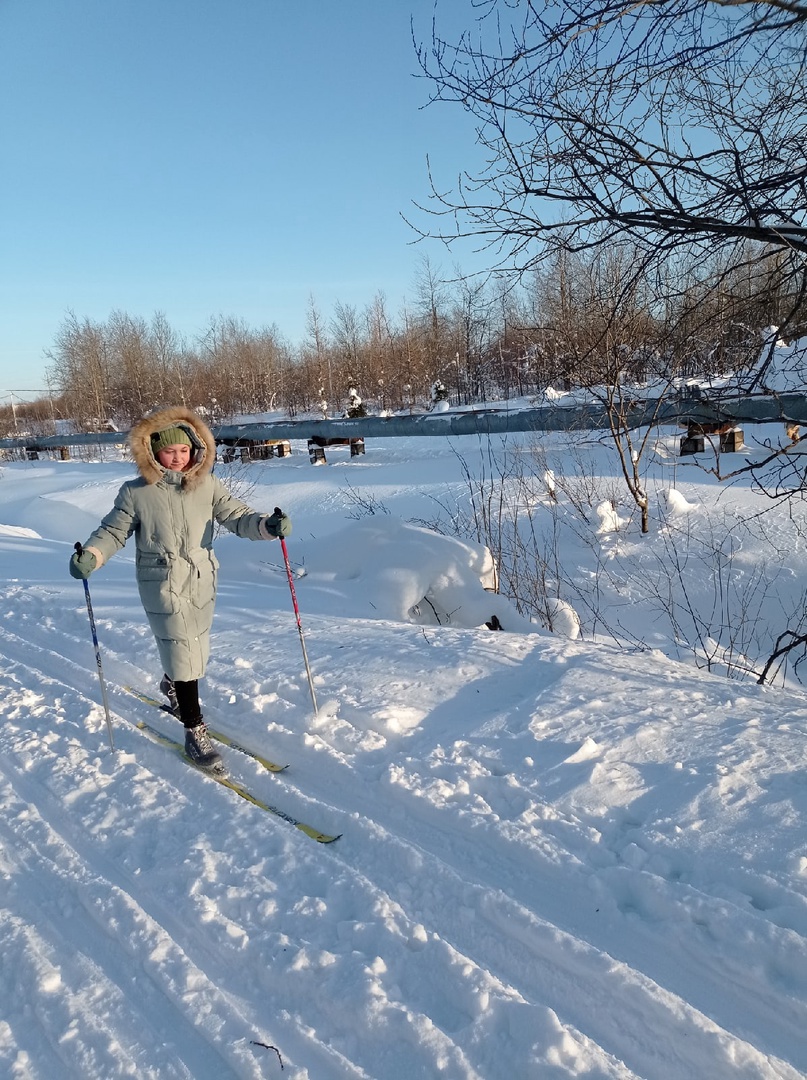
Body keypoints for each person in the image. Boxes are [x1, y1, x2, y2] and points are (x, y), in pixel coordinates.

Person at [69, 405, 291, 771]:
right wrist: (92, 555)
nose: (177, 458)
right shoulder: (136, 493)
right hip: (162, 582)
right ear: (152, 451)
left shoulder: (208, 485)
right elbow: (112, 532)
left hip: (203, 580)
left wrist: (269, 525)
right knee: (183, 649)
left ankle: (172, 685)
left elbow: (238, 518)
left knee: (194, 648)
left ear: (196, 449)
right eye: (169, 451)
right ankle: (193, 728)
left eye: (184, 450)